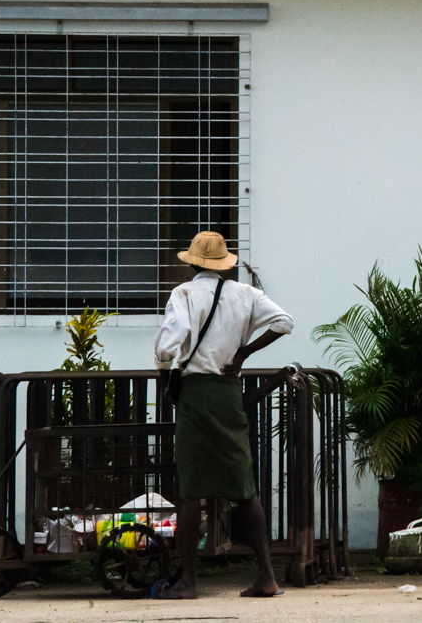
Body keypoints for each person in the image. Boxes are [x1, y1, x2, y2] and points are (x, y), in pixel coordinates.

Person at [152, 231, 293, 600]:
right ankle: (266, 577)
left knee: (190, 491)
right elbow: (284, 322)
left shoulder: (183, 294)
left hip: (197, 395)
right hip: (229, 393)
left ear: (193, 262)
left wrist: (168, 380)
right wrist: (243, 354)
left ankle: (189, 583)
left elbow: (168, 347)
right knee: (244, 488)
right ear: (224, 264)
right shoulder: (246, 295)